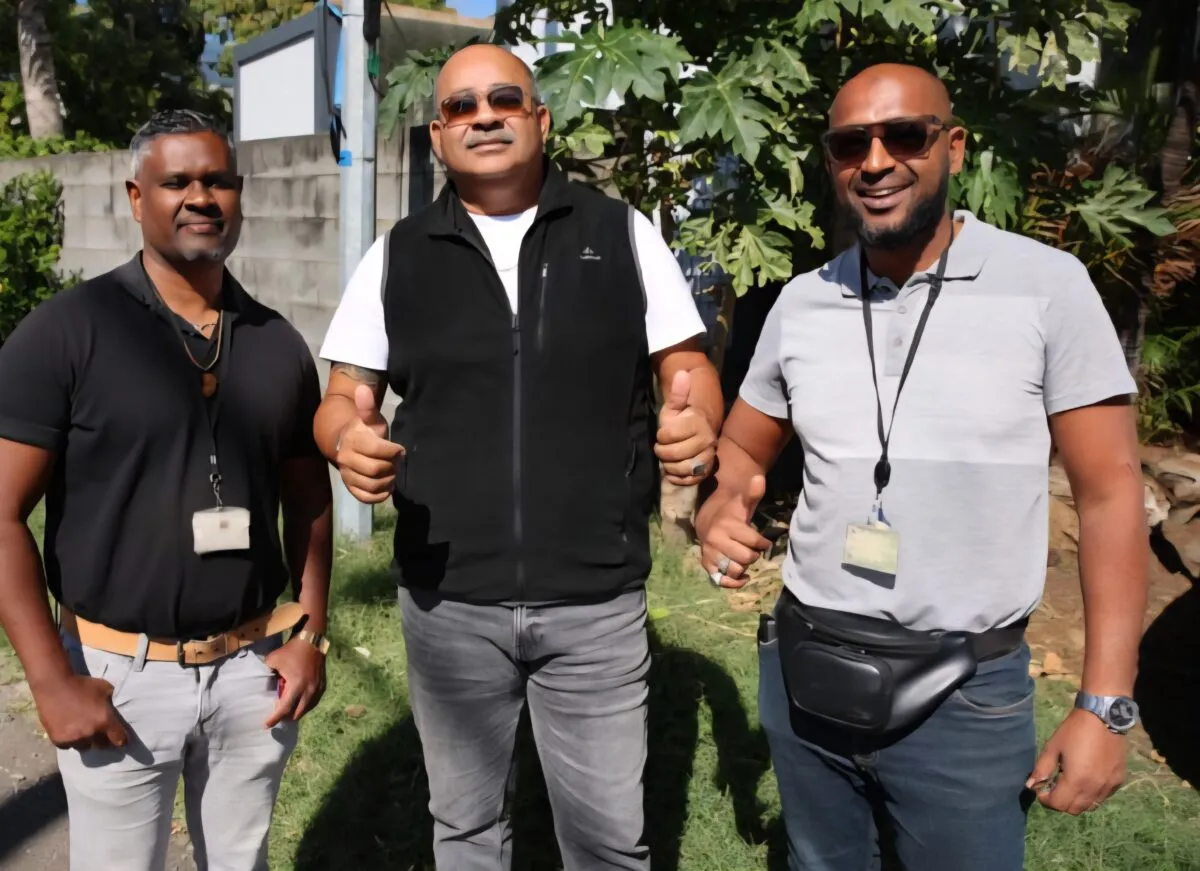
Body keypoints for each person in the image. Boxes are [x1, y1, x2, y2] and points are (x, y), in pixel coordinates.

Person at [696, 63, 1148, 870]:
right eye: (850, 145)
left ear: (954, 147)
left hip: (963, 697)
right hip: (806, 668)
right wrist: (720, 507)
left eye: (904, 135)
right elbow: (742, 446)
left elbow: (1112, 493)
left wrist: (1105, 704)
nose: (875, 162)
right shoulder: (801, 302)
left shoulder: (1047, 288)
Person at [314, 44, 722, 870]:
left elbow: (688, 368)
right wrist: (344, 439)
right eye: (460, 106)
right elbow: (342, 394)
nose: (484, 117)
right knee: (465, 829)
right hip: (448, 602)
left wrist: (699, 418)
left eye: (504, 99)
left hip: (595, 597)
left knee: (610, 841)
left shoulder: (621, 234)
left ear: (540, 119)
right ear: (438, 135)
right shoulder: (397, 254)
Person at [0, 110, 333, 871]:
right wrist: (52, 680)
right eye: (176, 181)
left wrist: (310, 634)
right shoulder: (67, 332)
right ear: (135, 196)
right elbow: (3, 513)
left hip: (253, 669)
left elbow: (309, 499)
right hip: (118, 674)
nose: (200, 197)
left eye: (217, 181)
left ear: (239, 195)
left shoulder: (277, 343)